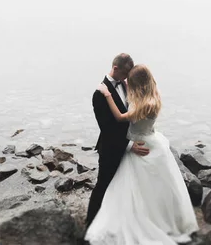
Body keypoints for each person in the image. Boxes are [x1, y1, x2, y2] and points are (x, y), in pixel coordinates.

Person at [85, 64, 199, 245]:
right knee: (154, 189)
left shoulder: (141, 105)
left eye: (130, 81)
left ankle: (139, 221)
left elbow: (120, 118)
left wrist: (107, 95)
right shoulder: (154, 97)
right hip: (153, 141)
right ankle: (160, 218)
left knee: (132, 187)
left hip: (139, 144)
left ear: (136, 83)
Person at [86, 53, 150, 227]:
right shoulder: (100, 93)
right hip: (111, 149)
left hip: (129, 144)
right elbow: (107, 129)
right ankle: (90, 225)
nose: (127, 77)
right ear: (115, 69)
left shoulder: (126, 85)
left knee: (124, 186)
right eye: (124, 73)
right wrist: (130, 146)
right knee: (103, 186)